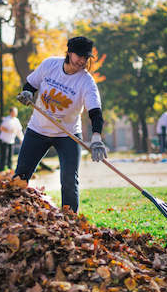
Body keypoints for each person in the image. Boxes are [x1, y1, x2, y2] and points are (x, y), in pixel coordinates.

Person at [14, 36, 107, 213]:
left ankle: (69, 220)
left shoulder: (86, 82)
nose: (82, 60)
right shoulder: (50, 65)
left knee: (69, 180)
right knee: (21, 174)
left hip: (68, 135)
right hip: (37, 130)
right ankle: (15, 212)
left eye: (86, 57)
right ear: (69, 53)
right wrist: (27, 93)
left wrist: (96, 138)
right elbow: (31, 84)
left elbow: (95, 112)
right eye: (79, 55)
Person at [0, 107, 24, 172]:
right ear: (11, 112)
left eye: (16, 112)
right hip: (4, 140)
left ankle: (10, 169)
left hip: (11, 140)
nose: (15, 113)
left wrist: (22, 139)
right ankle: (1, 170)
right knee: (3, 155)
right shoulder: (7, 119)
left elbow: (19, 131)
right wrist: (9, 131)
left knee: (10, 155)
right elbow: (1, 128)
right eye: (14, 112)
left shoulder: (16, 120)